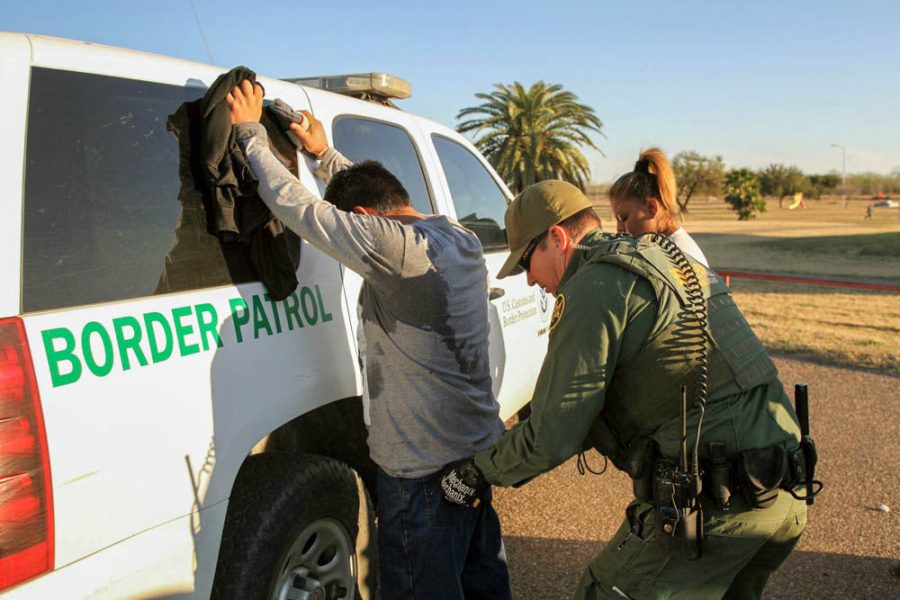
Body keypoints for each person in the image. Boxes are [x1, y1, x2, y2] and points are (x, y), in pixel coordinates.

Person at [440, 179, 812, 599]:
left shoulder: (595, 285)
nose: (528, 281)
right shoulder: (664, 255)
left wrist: (476, 472)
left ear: (557, 238)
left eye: (526, 262)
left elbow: (551, 437)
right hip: (783, 492)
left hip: (718, 506)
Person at [227, 80, 511, 599]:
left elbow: (300, 210)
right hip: (474, 457)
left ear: (363, 224)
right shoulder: (456, 235)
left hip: (422, 475)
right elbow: (373, 201)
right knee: (481, 579)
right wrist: (324, 155)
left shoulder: (396, 252)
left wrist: (248, 133)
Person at [609, 147, 710, 267]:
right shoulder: (656, 248)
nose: (619, 229)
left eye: (624, 218)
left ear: (652, 208)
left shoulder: (679, 255)